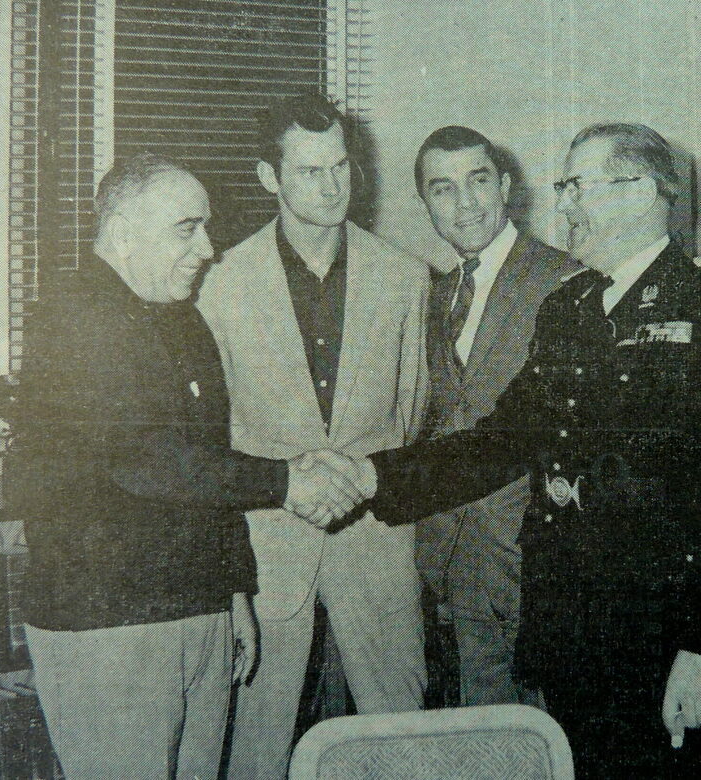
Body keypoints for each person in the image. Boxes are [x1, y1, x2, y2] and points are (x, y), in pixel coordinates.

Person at [314, 123, 701, 778]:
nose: (564, 204)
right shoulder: (571, 308)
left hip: (673, 646)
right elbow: (504, 438)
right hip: (576, 641)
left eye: (577, 186)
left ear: (640, 191)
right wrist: (372, 476)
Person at [10, 153, 350, 780]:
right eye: (187, 228)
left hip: (197, 610)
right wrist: (285, 481)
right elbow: (142, 458)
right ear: (123, 233)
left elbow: (209, 459)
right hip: (109, 624)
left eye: (207, 227)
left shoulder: (183, 320)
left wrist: (233, 591)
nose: (208, 248)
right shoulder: (73, 318)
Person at [196, 93, 429, 779]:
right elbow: (216, 431)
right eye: (309, 171)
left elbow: (409, 412)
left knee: (403, 737)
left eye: (341, 167)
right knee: (253, 745)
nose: (332, 187)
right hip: (267, 546)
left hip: (375, 541)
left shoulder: (404, 275)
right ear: (269, 177)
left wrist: (356, 484)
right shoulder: (219, 283)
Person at [412, 126, 579, 706]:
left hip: (529, 558)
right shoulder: (431, 295)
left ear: (505, 186)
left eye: (478, 181)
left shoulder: (566, 280)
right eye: (443, 189)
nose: (465, 203)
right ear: (426, 203)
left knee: (535, 730)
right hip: (446, 559)